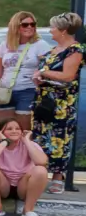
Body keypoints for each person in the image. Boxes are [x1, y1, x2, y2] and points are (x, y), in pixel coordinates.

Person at [31, 12, 83, 194]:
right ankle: (39, 172)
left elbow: (68, 75)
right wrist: (39, 78)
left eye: (53, 27)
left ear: (63, 31)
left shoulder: (75, 50)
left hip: (61, 103)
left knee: (59, 138)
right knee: (40, 136)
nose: (50, 30)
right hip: (44, 99)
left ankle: (58, 177)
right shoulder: (53, 50)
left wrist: (44, 73)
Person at [0, 119, 51, 216]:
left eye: (17, 129)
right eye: (9, 129)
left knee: (41, 170)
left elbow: (42, 161)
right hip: (4, 185)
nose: (14, 131)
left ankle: (28, 209)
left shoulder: (30, 144)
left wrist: (26, 140)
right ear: (1, 132)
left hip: (23, 185)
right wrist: (4, 142)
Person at [0, 12, 44, 137]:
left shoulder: (40, 45)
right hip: (5, 90)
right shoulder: (5, 45)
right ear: (15, 26)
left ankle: (23, 156)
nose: (30, 27)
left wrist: (41, 73)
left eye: (32, 24)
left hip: (27, 91)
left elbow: (48, 66)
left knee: (23, 133)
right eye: (25, 24)